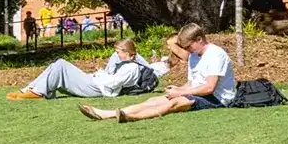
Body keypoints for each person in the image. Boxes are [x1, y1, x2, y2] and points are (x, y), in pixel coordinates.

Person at [79, 24, 236, 122]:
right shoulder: (194, 56)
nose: (187, 51)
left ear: (200, 39)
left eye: (188, 46)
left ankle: (131, 117)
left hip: (217, 99)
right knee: (156, 99)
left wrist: (181, 93)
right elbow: (192, 82)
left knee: (175, 102)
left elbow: (209, 88)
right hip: (200, 94)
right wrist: (178, 89)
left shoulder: (216, 54)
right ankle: (107, 114)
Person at [6, 39, 166, 100]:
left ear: (127, 53)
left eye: (118, 52)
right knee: (57, 65)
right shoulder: (125, 64)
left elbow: (113, 83)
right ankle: (31, 90)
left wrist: (99, 73)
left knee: (61, 64)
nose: (116, 55)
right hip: (96, 82)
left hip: (98, 88)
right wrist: (99, 73)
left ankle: (38, 93)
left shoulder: (131, 68)